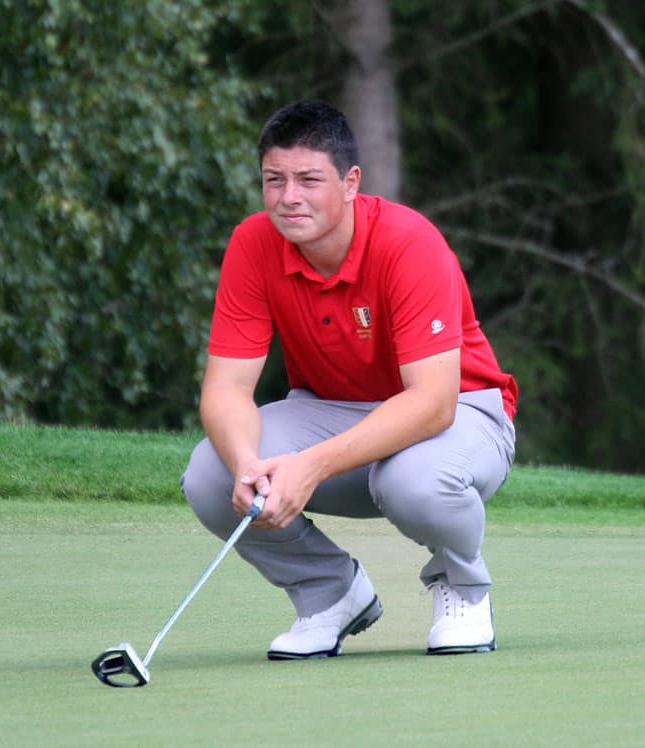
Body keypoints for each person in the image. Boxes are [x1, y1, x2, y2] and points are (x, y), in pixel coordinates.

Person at [181, 100, 518, 660]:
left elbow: (433, 404)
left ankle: (463, 589)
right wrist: (248, 465)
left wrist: (309, 466)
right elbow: (225, 389)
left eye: (309, 179)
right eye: (275, 180)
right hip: (333, 410)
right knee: (211, 475)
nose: (289, 197)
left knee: (413, 481)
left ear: (350, 182)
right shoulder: (253, 243)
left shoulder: (409, 243)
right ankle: (330, 594)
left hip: (464, 414)